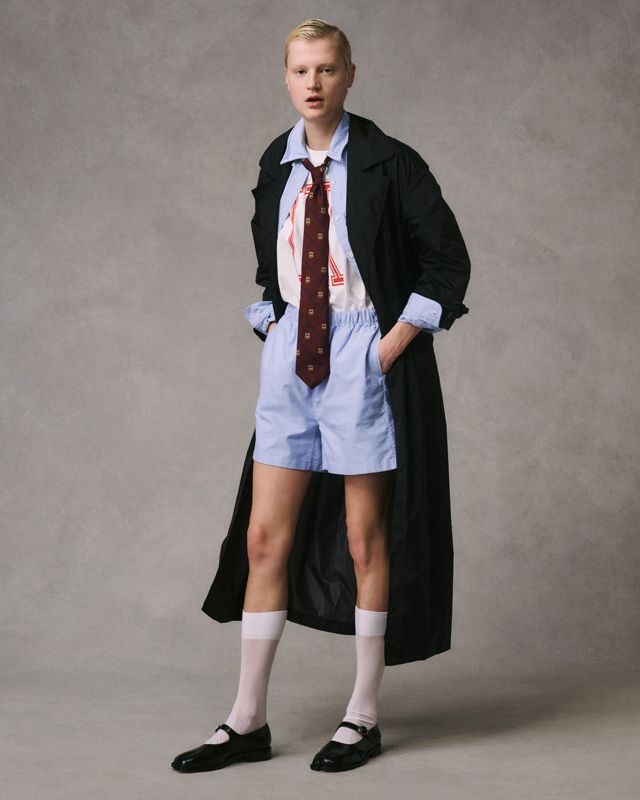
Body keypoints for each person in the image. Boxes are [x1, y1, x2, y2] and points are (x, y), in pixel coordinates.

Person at [172, 17, 471, 774]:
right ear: (286, 77)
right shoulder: (275, 163)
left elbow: (447, 262)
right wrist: (272, 321)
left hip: (362, 354)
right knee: (262, 539)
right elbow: (272, 263)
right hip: (292, 358)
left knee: (366, 539)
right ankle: (247, 721)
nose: (313, 83)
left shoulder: (390, 162)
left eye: (327, 69)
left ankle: (362, 716)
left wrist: (388, 346)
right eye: (301, 70)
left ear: (349, 75)